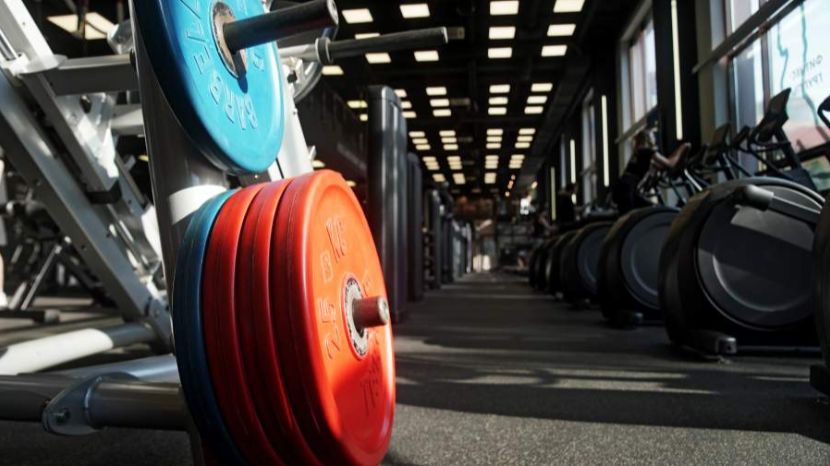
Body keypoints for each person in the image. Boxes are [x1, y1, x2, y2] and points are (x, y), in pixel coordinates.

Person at [612, 129, 657, 214]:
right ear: (647, 138)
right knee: (630, 215)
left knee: (645, 209)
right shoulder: (646, 151)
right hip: (627, 188)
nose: (654, 138)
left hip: (624, 186)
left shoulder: (638, 152)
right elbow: (670, 163)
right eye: (652, 136)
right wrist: (683, 148)